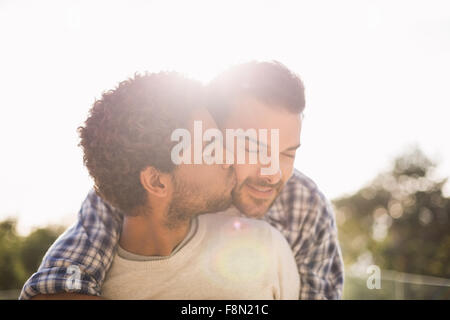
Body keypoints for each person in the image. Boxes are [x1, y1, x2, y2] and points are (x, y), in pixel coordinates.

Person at [20, 61, 344, 300]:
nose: (273, 172)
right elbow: (60, 283)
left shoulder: (305, 206)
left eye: (287, 152)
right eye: (251, 147)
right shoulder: (121, 194)